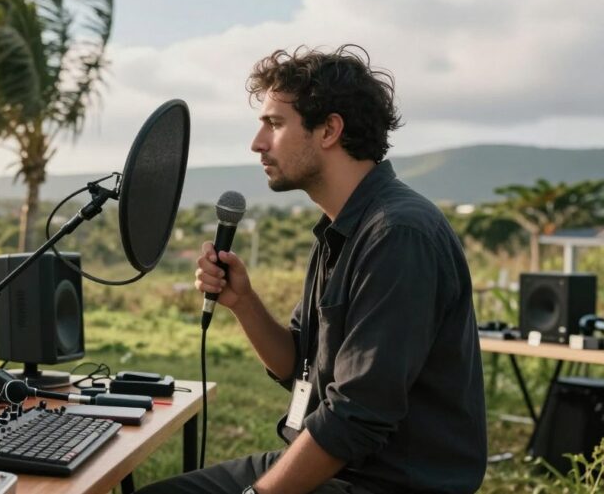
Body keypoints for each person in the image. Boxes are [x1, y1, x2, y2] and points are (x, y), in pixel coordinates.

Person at [137, 45, 486, 494]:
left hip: (384, 481)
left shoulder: (399, 235)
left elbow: (357, 416)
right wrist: (243, 302)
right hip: (341, 467)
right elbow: (297, 366)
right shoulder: (339, 231)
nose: (257, 143)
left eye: (275, 124)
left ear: (329, 130)